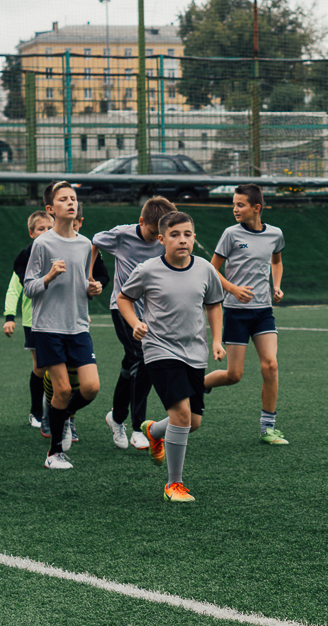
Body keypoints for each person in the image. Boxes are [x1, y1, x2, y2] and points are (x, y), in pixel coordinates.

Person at [118, 211, 224, 503]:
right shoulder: (148, 269)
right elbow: (124, 298)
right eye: (175, 235)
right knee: (182, 415)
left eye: (187, 234)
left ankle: (153, 431)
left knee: (193, 422)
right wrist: (135, 323)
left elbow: (214, 304)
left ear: (194, 238)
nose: (182, 240)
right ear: (162, 239)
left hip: (195, 352)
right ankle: (173, 485)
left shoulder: (204, 269)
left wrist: (216, 340)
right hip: (160, 350)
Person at [23, 181, 103, 470]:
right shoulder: (42, 244)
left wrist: (92, 288)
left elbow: (82, 283)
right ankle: (53, 453)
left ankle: (60, 415)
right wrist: (48, 277)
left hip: (79, 326)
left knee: (91, 388)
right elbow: (29, 287)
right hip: (48, 328)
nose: (71, 203)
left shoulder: (85, 244)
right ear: (50, 209)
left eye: (74, 198)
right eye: (64, 199)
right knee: (62, 389)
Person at [202, 184, 289, 445]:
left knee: (271, 365)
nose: (235, 209)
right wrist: (232, 289)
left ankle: (268, 428)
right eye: (234, 204)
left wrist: (276, 285)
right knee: (233, 375)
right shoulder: (230, 234)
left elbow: (277, 261)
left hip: (263, 312)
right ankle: (199, 384)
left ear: (256, 208)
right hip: (236, 312)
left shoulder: (275, 234)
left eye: (240, 204)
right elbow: (211, 268)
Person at [91, 196, 176, 450]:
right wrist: (90, 276)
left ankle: (116, 417)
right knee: (143, 359)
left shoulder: (164, 239)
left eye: (161, 234)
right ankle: (140, 426)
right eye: (152, 232)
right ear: (141, 222)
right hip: (123, 309)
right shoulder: (121, 235)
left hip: (151, 316)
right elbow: (93, 241)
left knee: (131, 365)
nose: (156, 238)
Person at [4, 211, 53, 428]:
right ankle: (36, 411)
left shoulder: (60, 255)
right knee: (41, 367)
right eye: (41, 229)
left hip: (58, 319)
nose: (46, 233)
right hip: (33, 321)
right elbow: (13, 290)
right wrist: (9, 317)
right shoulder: (26, 261)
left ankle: (57, 411)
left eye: (49, 228)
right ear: (32, 233)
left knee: (60, 368)